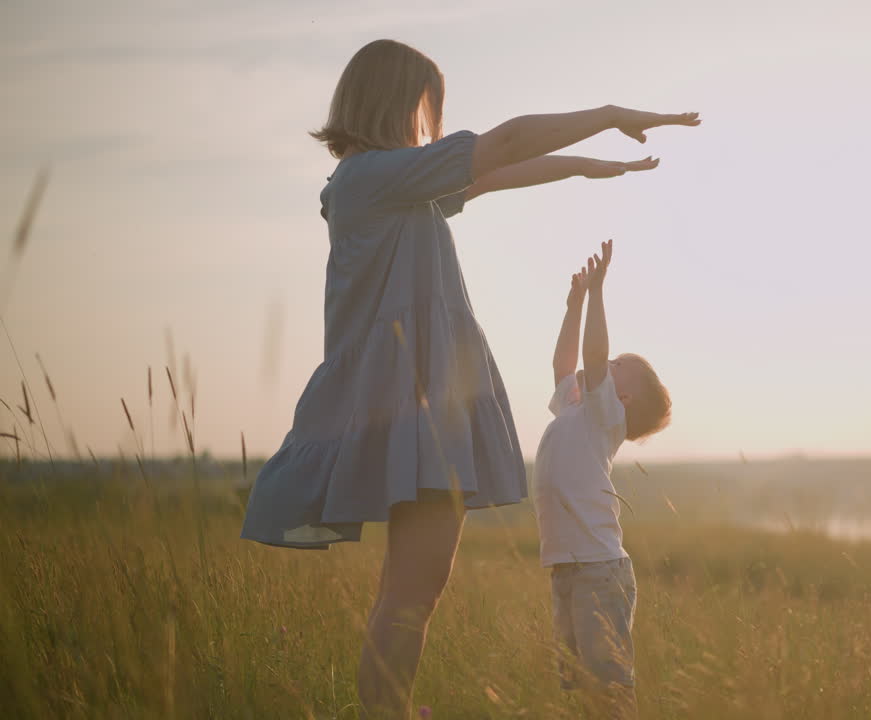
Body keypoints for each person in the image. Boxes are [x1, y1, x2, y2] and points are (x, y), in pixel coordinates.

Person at [238, 39, 699, 719]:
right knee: (412, 592)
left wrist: (585, 168)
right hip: (411, 407)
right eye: (427, 110)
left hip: (418, 405)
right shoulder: (373, 178)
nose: (431, 127)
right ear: (396, 105)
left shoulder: (391, 189)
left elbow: (493, 171)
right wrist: (606, 113)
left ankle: (385, 711)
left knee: (409, 590)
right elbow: (502, 143)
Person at [533, 240, 673, 718]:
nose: (604, 368)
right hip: (569, 569)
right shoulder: (577, 407)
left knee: (609, 686)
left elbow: (592, 356)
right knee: (575, 685)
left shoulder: (604, 417)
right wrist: (572, 306)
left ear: (624, 401)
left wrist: (596, 294)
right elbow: (564, 365)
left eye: (615, 369)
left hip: (598, 569)